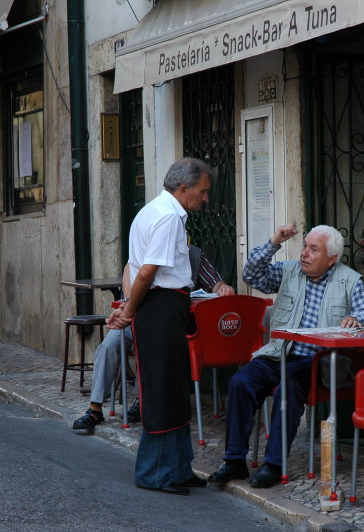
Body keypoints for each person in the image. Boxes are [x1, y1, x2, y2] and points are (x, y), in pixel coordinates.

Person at [207, 224, 364, 489]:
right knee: (240, 383)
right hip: (277, 353)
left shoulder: (349, 280)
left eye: (314, 249)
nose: (305, 254)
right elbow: (251, 275)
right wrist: (274, 240)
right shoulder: (289, 271)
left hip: (315, 362)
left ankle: (274, 465)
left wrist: (357, 317)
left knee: (287, 391)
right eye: (305, 246)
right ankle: (234, 461)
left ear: (332, 257)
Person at [107, 157, 214, 496]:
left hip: (163, 307)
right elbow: (146, 271)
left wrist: (128, 306)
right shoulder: (168, 217)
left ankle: (179, 467)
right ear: (183, 188)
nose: (205, 198)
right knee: (162, 390)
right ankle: (156, 473)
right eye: (202, 191)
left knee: (173, 389)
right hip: (161, 308)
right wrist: (129, 309)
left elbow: (134, 265)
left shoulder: (153, 210)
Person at [72, 248, 233, 432]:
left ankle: (142, 402)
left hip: (170, 324)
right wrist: (129, 303)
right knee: (109, 344)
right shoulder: (144, 253)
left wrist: (221, 287)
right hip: (134, 316)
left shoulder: (193, 255)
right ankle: (95, 408)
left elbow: (215, 281)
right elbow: (129, 282)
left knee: (152, 342)